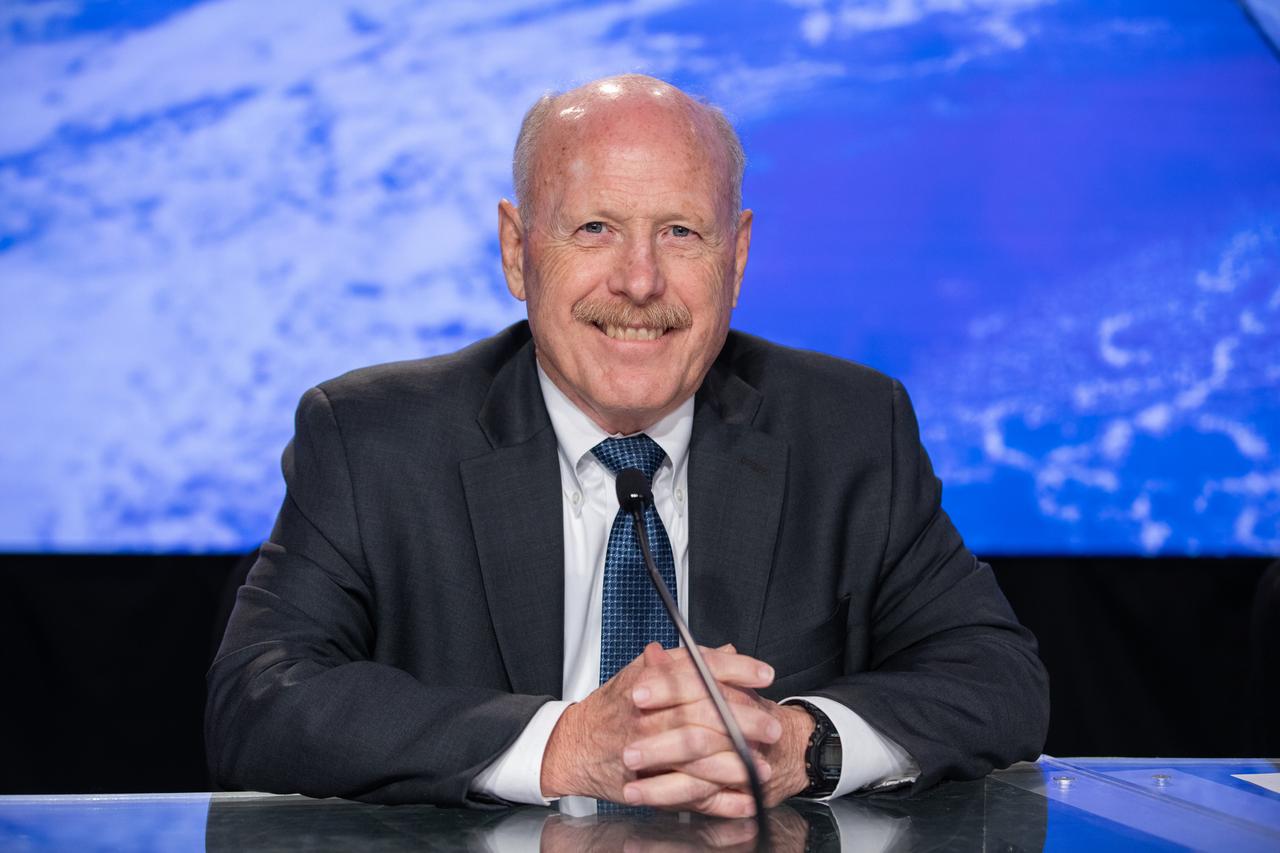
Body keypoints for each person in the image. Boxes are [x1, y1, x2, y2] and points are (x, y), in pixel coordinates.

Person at [206, 74, 1049, 817]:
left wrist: (801, 741)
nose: (640, 282)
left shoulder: (852, 429)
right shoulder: (373, 438)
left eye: (681, 231)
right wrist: (563, 744)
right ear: (516, 249)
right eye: (596, 228)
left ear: (739, 253)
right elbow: (260, 699)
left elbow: (997, 677)